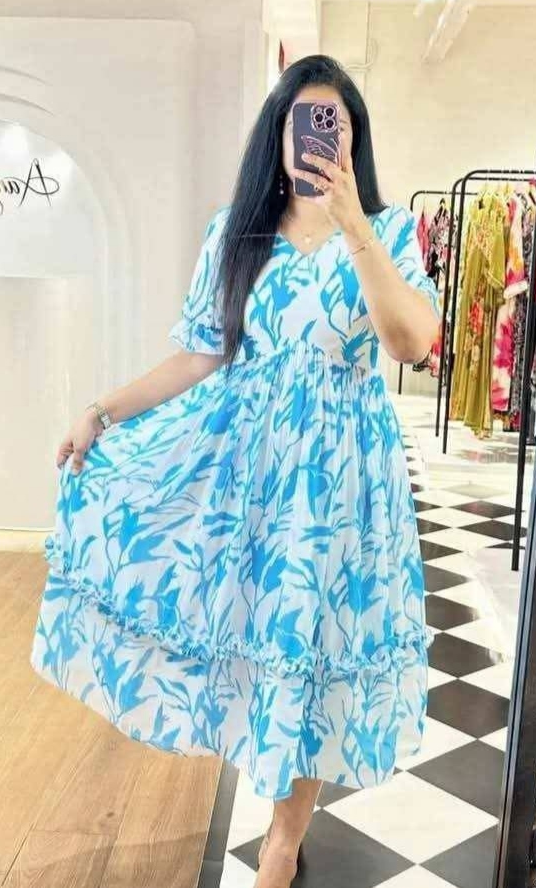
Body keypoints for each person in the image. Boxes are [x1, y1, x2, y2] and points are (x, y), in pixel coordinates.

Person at [31, 53, 440, 888]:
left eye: (335, 124)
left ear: (353, 138)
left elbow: (410, 343)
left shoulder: (390, 230)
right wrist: (103, 412)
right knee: (259, 637)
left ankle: (282, 838)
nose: (318, 138)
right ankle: (273, 804)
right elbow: (199, 355)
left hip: (337, 486)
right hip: (246, 476)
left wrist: (354, 224)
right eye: (305, 121)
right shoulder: (236, 233)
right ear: (278, 134)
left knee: (313, 646)